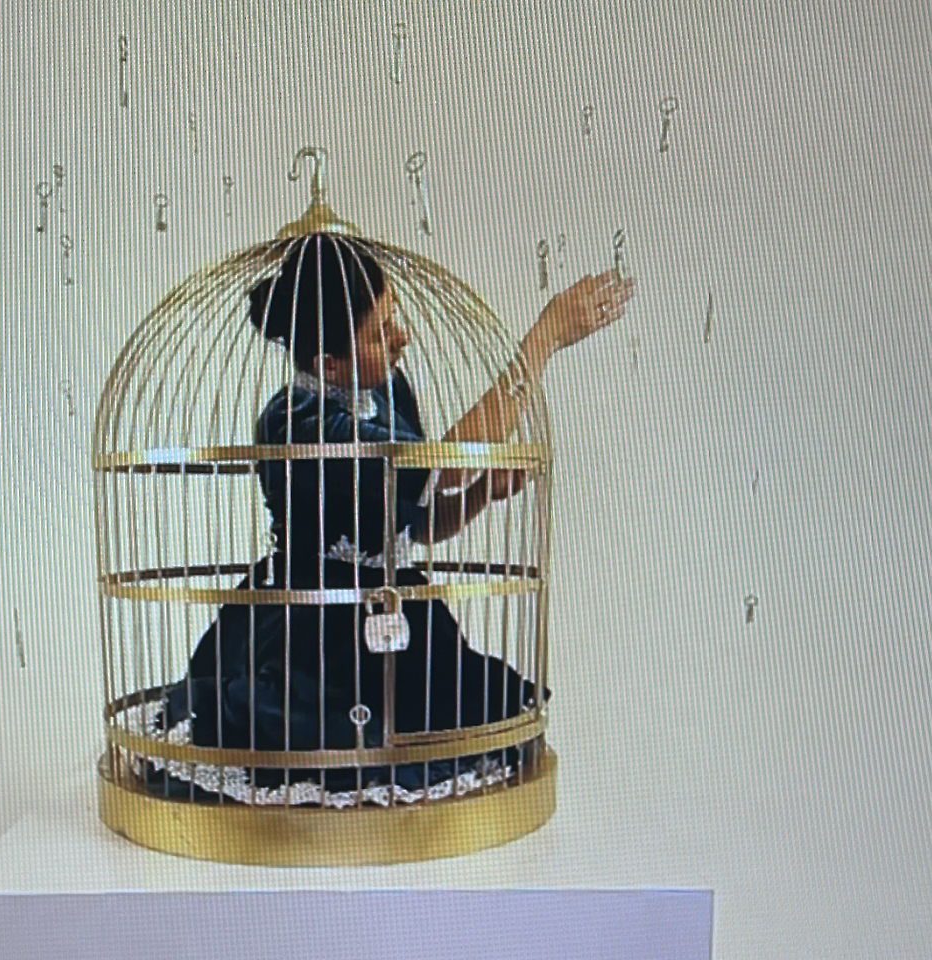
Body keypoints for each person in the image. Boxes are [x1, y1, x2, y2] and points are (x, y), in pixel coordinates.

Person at [146, 233, 635, 804]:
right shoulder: (299, 422)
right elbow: (443, 466)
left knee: (458, 709)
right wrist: (543, 339)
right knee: (339, 744)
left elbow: (419, 523)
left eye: (395, 317)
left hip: (392, 606)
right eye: (380, 331)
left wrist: (481, 493)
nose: (403, 337)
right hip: (316, 627)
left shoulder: (385, 390)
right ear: (328, 364)